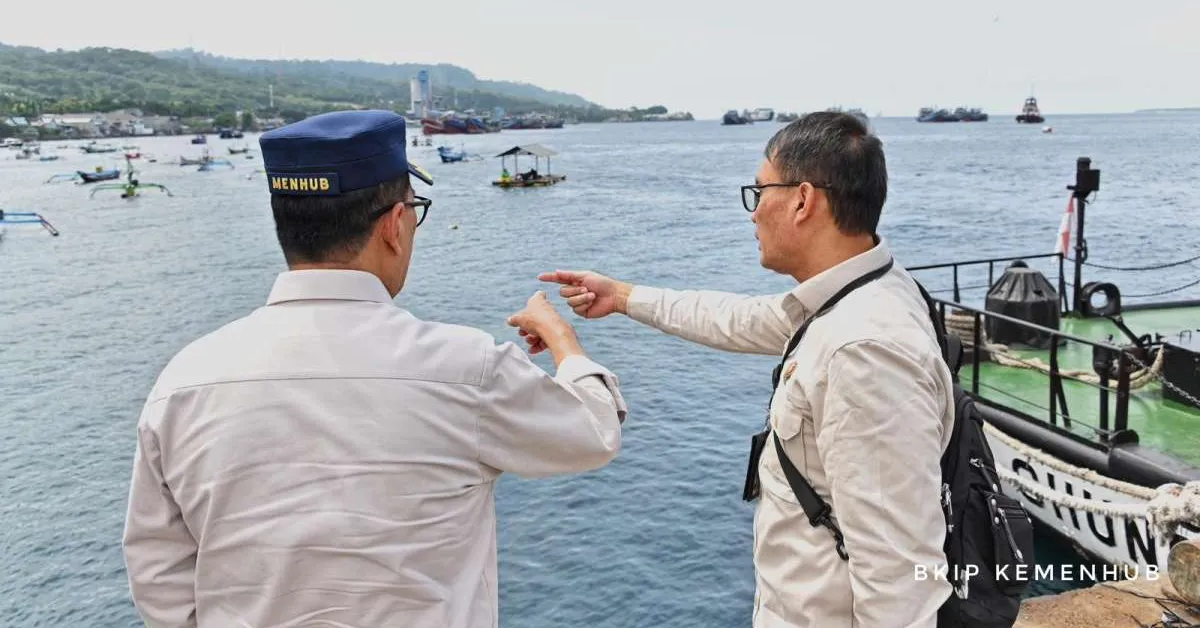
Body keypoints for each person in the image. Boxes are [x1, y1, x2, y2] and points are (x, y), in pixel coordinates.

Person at [122, 109, 627, 628]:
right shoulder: (465, 368)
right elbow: (592, 432)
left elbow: (159, 578)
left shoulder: (184, 381)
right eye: (415, 211)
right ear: (393, 225)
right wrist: (563, 340)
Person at [539, 111, 954, 628]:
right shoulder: (861, 292)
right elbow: (742, 319)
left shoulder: (863, 351)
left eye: (759, 191)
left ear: (803, 200)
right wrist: (622, 296)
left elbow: (899, 577)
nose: (753, 212)